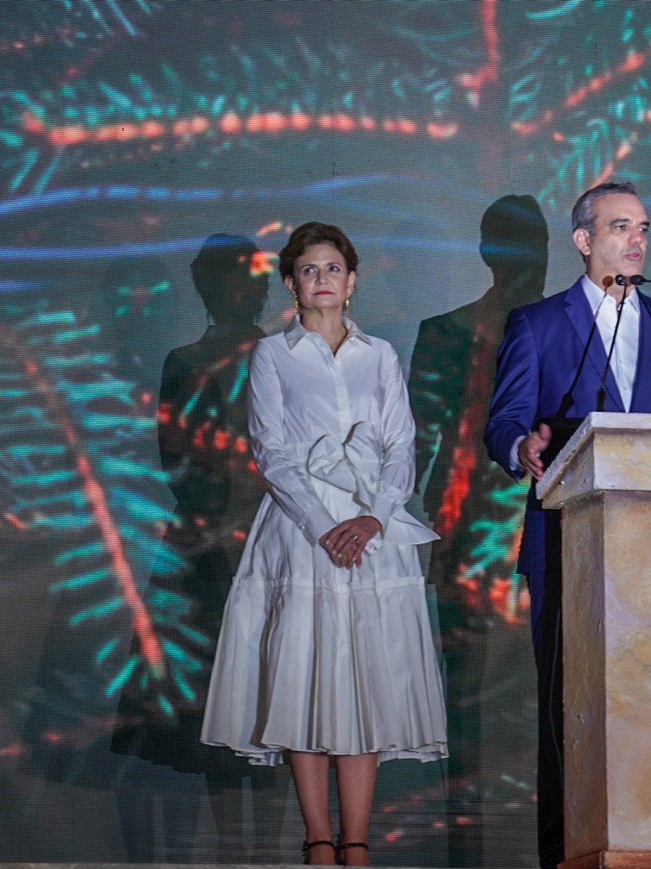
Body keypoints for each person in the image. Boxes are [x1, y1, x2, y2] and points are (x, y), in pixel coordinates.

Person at [201, 222, 448, 866]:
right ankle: (317, 839)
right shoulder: (272, 355)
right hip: (300, 531)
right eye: (309, 270)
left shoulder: (380, 355)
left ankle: (356, 841)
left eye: (333, 268)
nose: (322, 279)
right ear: (291, 283)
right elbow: (271, 450)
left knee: (364, 677)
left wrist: (374, 520)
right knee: (302, 673)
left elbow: (401, 445)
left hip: (373, 530)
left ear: (352, 280)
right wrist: (320, 525)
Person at [483, 181, 651, 868]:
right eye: (620, 227)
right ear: (584, 240)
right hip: (568, 545)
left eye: (643, 227)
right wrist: (521, 447)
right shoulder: (538, 324)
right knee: (571, 711)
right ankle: (566, 854)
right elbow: (505, 421)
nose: (636, 240)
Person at [111, 233, 278, 861]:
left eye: (246, 277)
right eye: (226, 278)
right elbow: (173, 457)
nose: (238, 290)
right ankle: (232, 852)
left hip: (267, 546)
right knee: (207, 711)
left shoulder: (287, 358)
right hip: (207, 555)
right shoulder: (186, 363)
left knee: (270, 704)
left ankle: (264, 852)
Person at [408, 194, 548, 865]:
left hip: (555, 532)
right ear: (489, 252)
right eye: (517, 244)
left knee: (550, 698)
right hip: (467, 537)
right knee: (463, 700)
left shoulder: (577, 330)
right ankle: (465, 847)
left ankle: (552, 842)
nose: (532, 259)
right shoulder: (445, 333)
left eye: (538, 243)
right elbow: (416, 448)